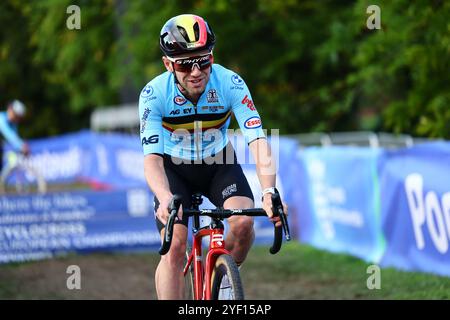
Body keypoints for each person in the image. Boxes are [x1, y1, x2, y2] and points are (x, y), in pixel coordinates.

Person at [139, 14, 288, 300]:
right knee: (175, 246)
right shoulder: (154, 94)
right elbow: (152, 160)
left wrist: (269, 190)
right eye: (185, 63)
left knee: (243, 223)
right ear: (168, 64)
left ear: (212, 57)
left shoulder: (230, 83)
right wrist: (164, 195)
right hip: (174, 169)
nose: (196, 71)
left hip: (217, 162)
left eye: (203, 60)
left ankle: (222, 280)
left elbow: (257, 139)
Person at [0, 100, 30, 172]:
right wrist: (21, 146)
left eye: (19, 118)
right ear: (10, 109)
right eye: (16, 115)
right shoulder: (1, 118)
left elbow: (14, 137)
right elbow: (9, 134)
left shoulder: (13, 123)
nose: (17, 119)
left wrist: (21, 146)